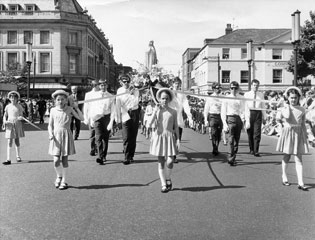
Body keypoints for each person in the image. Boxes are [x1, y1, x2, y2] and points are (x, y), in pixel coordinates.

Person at [48, 90, 84, 190]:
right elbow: (50, 125)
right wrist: (50, 134)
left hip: (66, 135)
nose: (60, 101)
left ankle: (64, 180)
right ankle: (59, 176)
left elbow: (81, 118)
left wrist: (77, 108)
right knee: (55, 160)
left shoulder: (70, 109)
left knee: (64, 160)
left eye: (62, 99)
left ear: (66, 100)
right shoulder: (52, 110)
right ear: (55, 100)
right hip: (56, 137)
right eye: (58, 99)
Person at [276, 87, 309, 191]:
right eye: (291, 98)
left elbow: (303, 124)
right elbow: (281, 118)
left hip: (298, 133)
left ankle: (300, 182)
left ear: (298, 98)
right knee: (286, 156)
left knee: (299, 158)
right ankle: (284, 176)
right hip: (288, 132)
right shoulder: (284, 108)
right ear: (288, 98)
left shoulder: (302, 109)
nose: (293, 100)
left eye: (295, 98)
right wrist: (286, 106)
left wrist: (305, 136)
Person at [149, 88, 179, 193]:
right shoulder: (157, 111)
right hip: (159, 137)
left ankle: (168, 178)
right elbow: (149, 124)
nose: (164, 101)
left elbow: (176, 127)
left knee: (170, 161)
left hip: (170, 137)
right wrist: (155, 111)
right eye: (162, 99)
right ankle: (163, 184)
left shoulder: (174, 112)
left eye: (166, 98)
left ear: (169, 99)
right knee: (161, 162)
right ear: (159, 100)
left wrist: (178, 139)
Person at [89, 79, 115, 165]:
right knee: (98, 137)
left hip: (106, 118)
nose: (103, 87)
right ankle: (100, 157)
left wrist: (111, 122)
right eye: (101, 85)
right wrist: (91, 119)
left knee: (105, 138)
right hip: (97, 118)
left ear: (107, 86)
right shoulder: (95, 96)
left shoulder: (111, 96)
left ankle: (104, 155)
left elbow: (113, 110)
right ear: (99, 86)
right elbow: (91, 108)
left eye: (104, 85)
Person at [116, 74, 140, 165]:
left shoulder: (135, 90)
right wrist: (118, 118)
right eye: (124, 81)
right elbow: (118, 104)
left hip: (134, 113)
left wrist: (132, 93)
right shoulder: (119, 91)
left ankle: (131, 156)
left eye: (127, 81)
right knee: (126, 136)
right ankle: (126, 157)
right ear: (121, 82)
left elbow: (135, 102)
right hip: (125, 113)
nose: (126, 83)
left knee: (133, 136)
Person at [221, 81, 245, 166]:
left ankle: (233, 157)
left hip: (238, 119)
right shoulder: (226, 98)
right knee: (231, 139)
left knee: (236, 140)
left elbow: (243, 110)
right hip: (230, 118)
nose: (233, 90)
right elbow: (223, 111)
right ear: (229, 89)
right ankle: (230, 158)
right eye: (232, 88)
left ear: (238, 88)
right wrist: (224, 123)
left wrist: (243, 120)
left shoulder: (241, 98)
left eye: (235, 88)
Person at [170, 77, 192, 163]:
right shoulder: (169, 92)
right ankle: (170, 154)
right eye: (175, 83)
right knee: (170, 137)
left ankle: (174, 155)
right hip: (170, 117)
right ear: (173, 84)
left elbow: (186, 105)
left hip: (178, 118)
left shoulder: (182, 94)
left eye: (178, 84)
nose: (177, 85)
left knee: (178, 137)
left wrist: (189, 117)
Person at [244, 79, 266, 157]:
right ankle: (251, 149)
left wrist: (265, 117)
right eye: (254, 85)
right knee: (250, 133)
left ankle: (256, 150)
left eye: (257, 85)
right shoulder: (246, 94)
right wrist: (245, 118)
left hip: (258, 114)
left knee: (257, 133)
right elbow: (245, 107)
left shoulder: (261, 95)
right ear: (251, 85)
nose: (255, 87)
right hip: (249, 113)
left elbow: (263, 106)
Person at [2, 91, 25, 165]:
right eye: (11, 98)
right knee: (9, 141)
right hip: (9, 124)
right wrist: (5, 121)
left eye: (15, 98)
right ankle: (8, 159)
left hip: (17, 123)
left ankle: (18, 156)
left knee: (17, 140)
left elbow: (21, 115)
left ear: (17, 99)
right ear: (9, 98)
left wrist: (21, 117)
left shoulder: (19, 106)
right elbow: (5, 115)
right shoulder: (7, 106)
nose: (13, 99)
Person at [204, 82, 223, 156]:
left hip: (220, 116)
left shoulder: (222, 97)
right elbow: (206, 109)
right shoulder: (210, 98)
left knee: (219, 134)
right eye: (217, 88)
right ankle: (214, 148)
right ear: (213, 89)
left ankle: (217, 146)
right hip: (212, 116)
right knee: (214, 133)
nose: (218, 89)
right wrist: (205, 119)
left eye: (219, 88)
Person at [83, 80, 100, 156]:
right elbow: (86, 107)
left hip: (99, 116)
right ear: (95, 85)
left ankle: (98, 148)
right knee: (92, 134)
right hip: (91, 116)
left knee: (99, 134)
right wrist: (85, 118)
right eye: (98, 85)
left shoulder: (101, 93)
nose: (100, 86)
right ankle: (93, 148)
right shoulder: (88, 94)